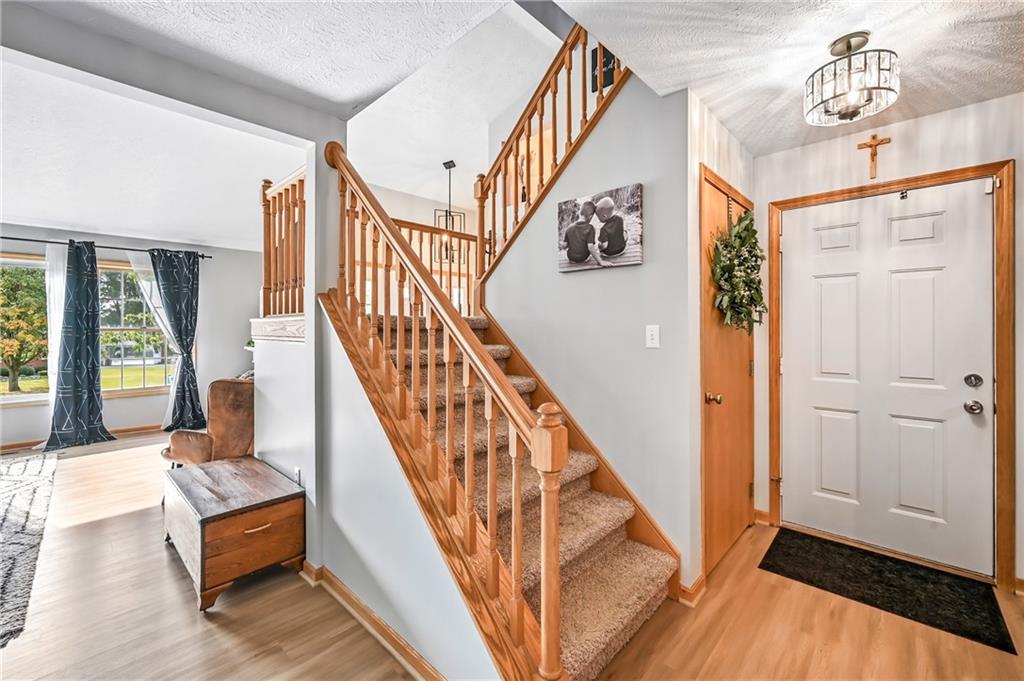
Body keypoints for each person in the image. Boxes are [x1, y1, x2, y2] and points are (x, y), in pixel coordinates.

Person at [560, 200, 607, 266]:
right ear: (590, 216)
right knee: (594, 248)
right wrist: (601, 262)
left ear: (580, 213)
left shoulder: (569, 227)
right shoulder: (590, 228)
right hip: (583, 258)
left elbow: (564, 245)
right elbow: (590, 247)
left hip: (571, 258)